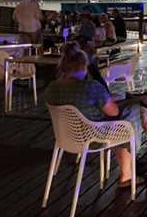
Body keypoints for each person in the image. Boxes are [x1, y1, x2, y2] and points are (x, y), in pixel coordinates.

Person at [44, 48, 139, 188]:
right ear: (84, 66)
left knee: (124, 117)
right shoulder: (91, 87)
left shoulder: (52, 87)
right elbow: (113, 112)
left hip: (65, 136)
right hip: (94, 137)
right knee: (131, 113)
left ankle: (128, 169)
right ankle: (127, 174)